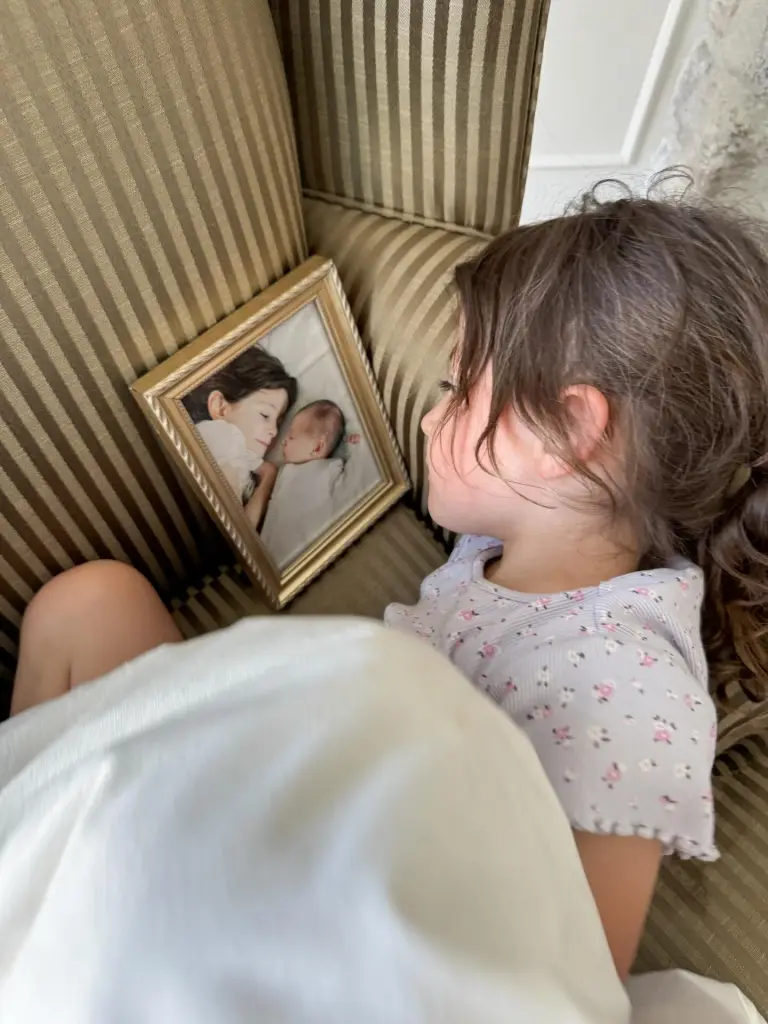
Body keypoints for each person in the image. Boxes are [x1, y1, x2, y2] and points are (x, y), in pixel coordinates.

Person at [384, 181, 768, 978]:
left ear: (570, 430)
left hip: (385, 930)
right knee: (97, 600)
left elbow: (558, 989)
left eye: (455, 389)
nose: (429, 417)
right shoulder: (499, 540)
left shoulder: (624, 699)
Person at [182, 345, 298, 527]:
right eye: (265, 415)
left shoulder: (233, 451)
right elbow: (239, 530)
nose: (274, 431)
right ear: (220, 407)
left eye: (279, 422)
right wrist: (268, 478)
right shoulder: (224, 435)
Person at [258, 401, 375, 568]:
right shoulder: (284, 472)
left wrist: (359, 447)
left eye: (291, 436)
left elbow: (356, 484)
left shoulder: (329, 470)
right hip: (274, 543)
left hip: (309, 541)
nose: (283, 441)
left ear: (318, 446)